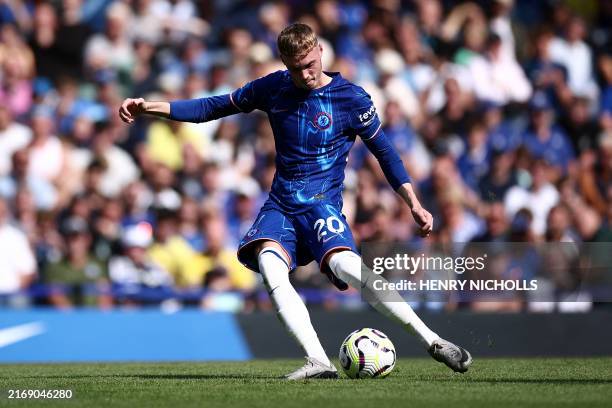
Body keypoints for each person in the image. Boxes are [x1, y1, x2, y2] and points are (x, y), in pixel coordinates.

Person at [119, 23, 472, 379]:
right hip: (282, 206)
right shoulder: (274, 87)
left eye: (308, 64)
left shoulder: (352, 98)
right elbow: (213, 106)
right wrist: (149, 107)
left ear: (319, 52)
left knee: (348, 268)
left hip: (322, 206)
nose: (303, 74)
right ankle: (318, 361)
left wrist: (412, 201)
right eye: (294, 68)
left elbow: (385, 152)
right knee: (270, 268)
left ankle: (434, 341)